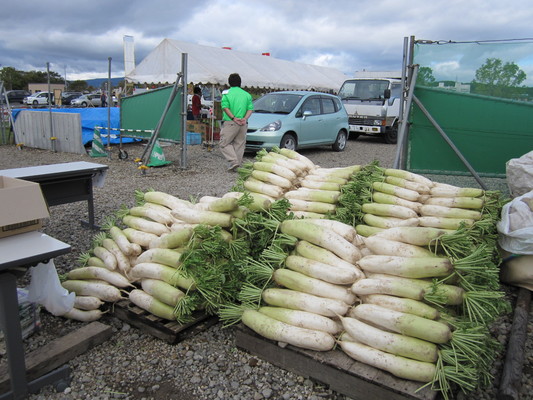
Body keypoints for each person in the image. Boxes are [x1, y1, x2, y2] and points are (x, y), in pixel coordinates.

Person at [220, 73, 253, 172]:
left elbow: (225, 107)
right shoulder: (247, 95)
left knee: (224, 143)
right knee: (239, 144)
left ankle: (233, 161)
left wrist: (233, 118)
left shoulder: (226, 93)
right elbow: (250, 109)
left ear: (229, 82)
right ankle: (237, 165)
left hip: (231, 122)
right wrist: (245, 118)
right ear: (240, 83)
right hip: (243, 123)